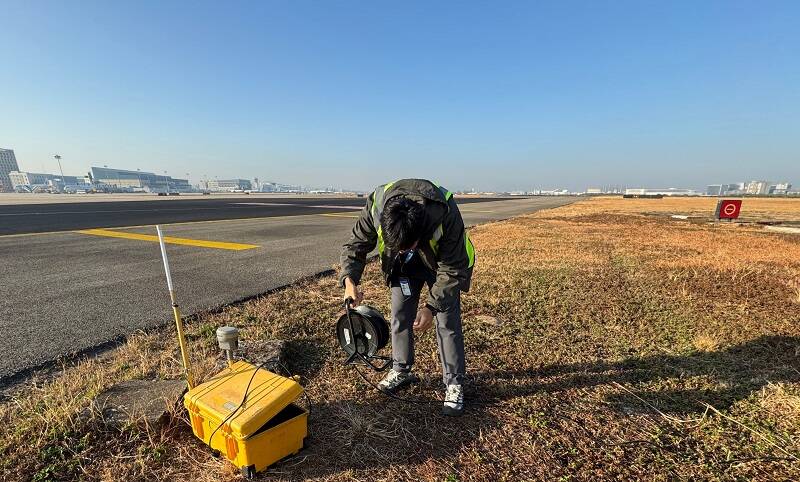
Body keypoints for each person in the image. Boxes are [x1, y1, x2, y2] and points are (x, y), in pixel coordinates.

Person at [340, 179, 475, 416]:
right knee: (400, 314)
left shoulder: (444, 212)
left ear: (418, 233)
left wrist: (430, 307)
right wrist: (350, 281)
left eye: (405, 246)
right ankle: (401, 369)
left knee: (447, 321)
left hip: (442, 266)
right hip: (403, 268)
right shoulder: (377, 205)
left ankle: (454, 383)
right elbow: (356, 244)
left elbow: (453, 269)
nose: (401, 248)